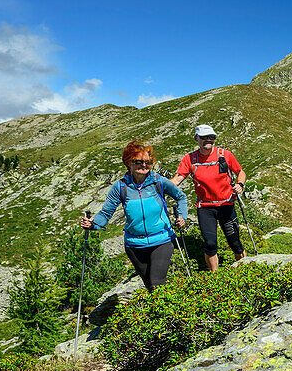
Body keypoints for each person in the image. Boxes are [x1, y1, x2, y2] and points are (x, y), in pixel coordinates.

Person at [81, 141, 188, 291]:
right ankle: (157, 312)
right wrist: (92, 224)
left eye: (148, 162)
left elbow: (181, 197)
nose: (144, 165)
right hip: (134, 245)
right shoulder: (120, 187)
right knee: (149, 286)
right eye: (139, 162)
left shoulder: (158, 181)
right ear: (128, 163)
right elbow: (106, 213)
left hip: (162, 239)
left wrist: (182, 216)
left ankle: (165, 313)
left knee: (157, 283)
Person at [171, 124, 247, 271]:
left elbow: (240, 172)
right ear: (196, 139)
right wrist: (159, 187)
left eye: (211, 137)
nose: (208, 140)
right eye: (204, 137)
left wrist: (240, 184)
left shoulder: (225, 155)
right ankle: (215, 277)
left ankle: (244, 271)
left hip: (227, 205)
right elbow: (178, 179)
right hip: (205, 208)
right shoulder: (190, 159)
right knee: (210, 244)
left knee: (235, 242)